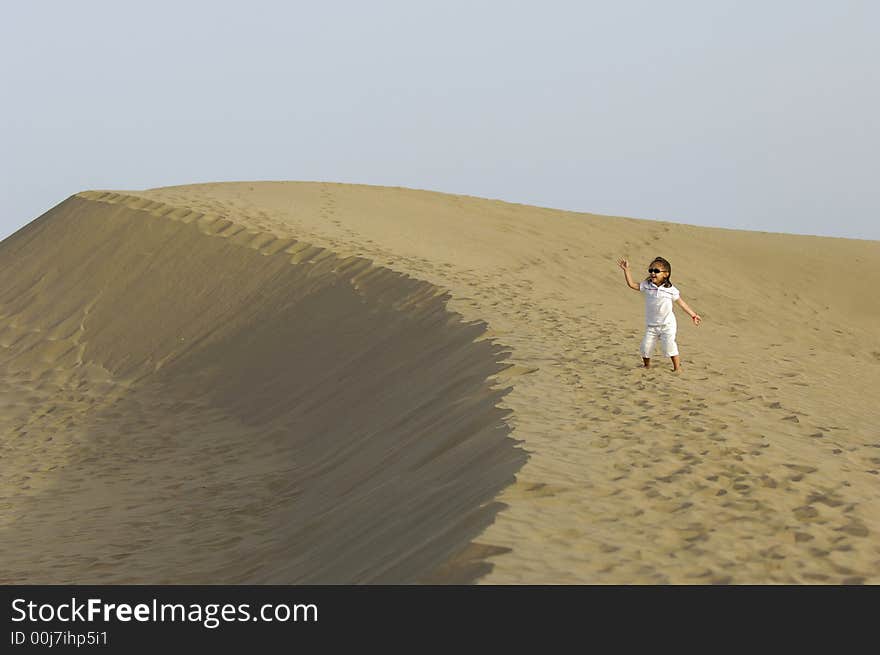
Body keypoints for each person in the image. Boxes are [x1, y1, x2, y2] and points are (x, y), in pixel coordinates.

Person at [617, 256, 701, 372]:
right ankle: (646, 366)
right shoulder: (647, 285)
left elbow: (681, 303)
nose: (652, 273)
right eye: (650, 270)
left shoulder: (670, 289)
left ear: (666, 274)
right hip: (651, 325)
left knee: (669, 345)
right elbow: (632, 285)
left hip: (667, 324)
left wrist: (693, 315)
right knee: (645, 347)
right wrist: (626, 270)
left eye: (656, 271)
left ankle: (677, 368)